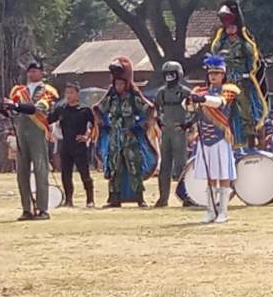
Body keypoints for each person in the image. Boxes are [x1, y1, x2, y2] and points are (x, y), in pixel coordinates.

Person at [94, 57, 159, 208]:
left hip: (130, 138)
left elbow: (149, 109)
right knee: (114, 167)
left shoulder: (133, 96)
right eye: (116, 83)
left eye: (121, 83)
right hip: (114, 137)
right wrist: (102, 124)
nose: (118, 86)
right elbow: (97, 109)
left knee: (134, 166)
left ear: (126, 83)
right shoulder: (111, 96)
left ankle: (139, 197)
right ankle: (114, 198)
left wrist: (140, 127)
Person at [0, 58, 59, 220]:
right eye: (29, 71)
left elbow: (38, 108)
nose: (31, 74)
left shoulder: (48, 90)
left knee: (40, 170)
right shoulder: (18, 91)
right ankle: (27, 208)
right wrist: (4, 108)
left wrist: (16, 106)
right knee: (22, 172)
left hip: (37, 130)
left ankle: (43, 208)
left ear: (41, 73)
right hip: (21, 130)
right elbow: (12, 112)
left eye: (35, 71)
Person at [183, 54, 240, 224]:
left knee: (223, 174)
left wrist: (202, 99)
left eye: (216, 73)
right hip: (205, 138)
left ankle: (223, 211)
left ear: (223, 75)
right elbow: (188, 107)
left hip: (220, 136)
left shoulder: (229, 90)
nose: (213, 76)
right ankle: (210, 210)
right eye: (210, 73)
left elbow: (220, 102)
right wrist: (190, 100)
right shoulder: (201, 91)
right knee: (210, 177)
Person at [210, 0, 269, 150]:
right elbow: (215, 57)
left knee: (245, 110)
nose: (229, 29)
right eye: (227, 26)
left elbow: (253, 61)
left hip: (241, 82)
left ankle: (251, 135)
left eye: (232, 26)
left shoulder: (245, 44)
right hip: (225, 82)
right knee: (221, 109)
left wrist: (246, 74)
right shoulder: (220, 43)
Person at [48, 82, 96, 208]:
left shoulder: (85, 110)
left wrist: (87, 136)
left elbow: (93, 125)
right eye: (67, 93)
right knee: (65, 174)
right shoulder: (61, 109)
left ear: (77, 94)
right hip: (66, 144)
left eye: (71, 93)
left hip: (79, 145)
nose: (68, 96)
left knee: (84, 173)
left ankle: (90, 199)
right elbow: (48, 120)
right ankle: (68, 200)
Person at [153, 61, 191, 207]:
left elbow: (195, 109)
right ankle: (163, 198)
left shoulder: (185, 92)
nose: (169, 77)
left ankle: (186, 196)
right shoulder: (161, 93)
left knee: (181, 165)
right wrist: (159, 123)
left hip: (179, 131)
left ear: (178, 74)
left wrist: (187, 124)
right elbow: (156, 109)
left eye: (172, 74)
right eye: (167, 74)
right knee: (165, 165)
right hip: (166, 132)